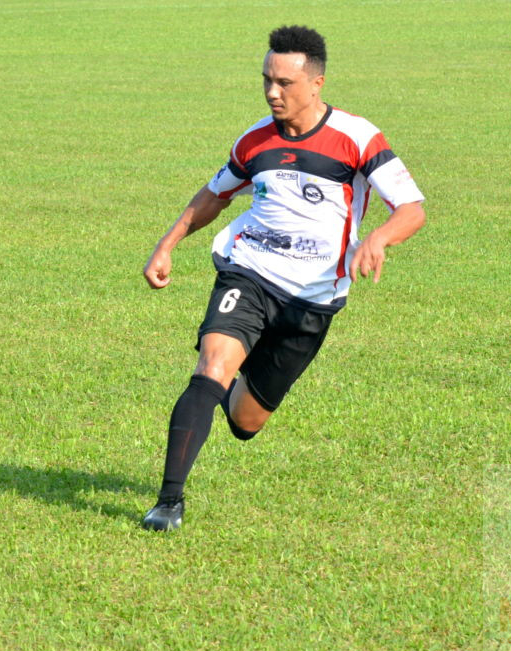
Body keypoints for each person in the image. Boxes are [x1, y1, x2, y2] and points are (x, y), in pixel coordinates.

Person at [140, 25, 426, 531]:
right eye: (267, 80)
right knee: (211, 366)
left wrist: (380, 239)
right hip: (248, 271)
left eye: (285, 83)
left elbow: (411, 208)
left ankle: (229, 387)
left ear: (316, 84)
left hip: (312, 300)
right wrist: (167, 244)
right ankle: (168, 501)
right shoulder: (255, 141)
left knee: (246, 421)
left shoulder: (358, 138)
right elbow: (215, 195)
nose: (273, 92)